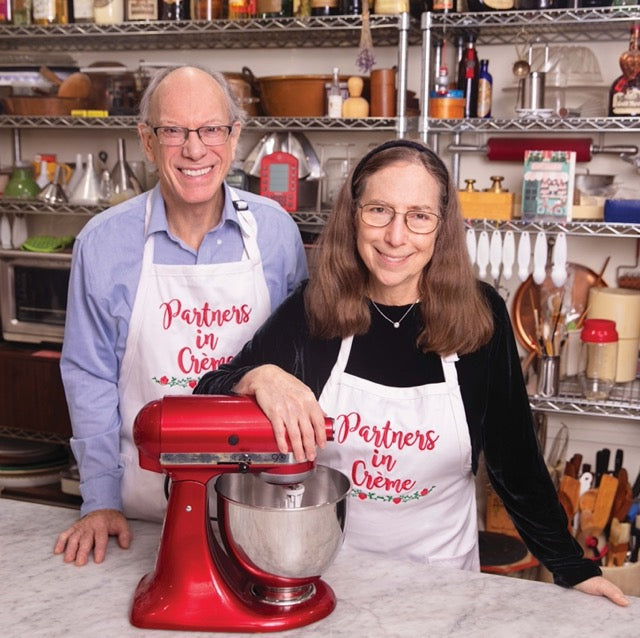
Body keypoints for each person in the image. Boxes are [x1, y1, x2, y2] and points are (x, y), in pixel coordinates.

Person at [195, 139, 628, 606]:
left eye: (419, 216)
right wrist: (257, 376)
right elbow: (204, 399)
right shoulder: (312, 308)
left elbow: (515, 459)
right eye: (379, 210)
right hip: (328, 577)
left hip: (441, 586)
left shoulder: (481, 316)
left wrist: (570, 566)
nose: (395, 237)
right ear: (353, 215)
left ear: (441, 229)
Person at [54, 65, 308, 566]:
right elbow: (90, 379)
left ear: (234, 138)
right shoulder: (103, 244)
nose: (195, 150)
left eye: (211, 129)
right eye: (173, 131)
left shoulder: (277, 234)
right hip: (146, 514)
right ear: (147, 141)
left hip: (260, 506)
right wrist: (100, 501)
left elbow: (300, 364)